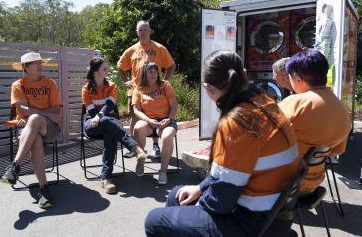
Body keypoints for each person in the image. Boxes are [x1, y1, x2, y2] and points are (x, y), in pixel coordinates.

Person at [145, 50, 300, 236]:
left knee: (154, 220)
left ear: (208, 89)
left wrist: (199, 204)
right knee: (176, 195)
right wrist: (200, 188)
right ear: (244, 73)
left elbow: (220, 201)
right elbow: (231, 175)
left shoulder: (237, 122)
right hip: (274, 212)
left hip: (252, 223)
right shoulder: (263, 100)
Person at [278, 50, 350, 194]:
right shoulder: (341, 108)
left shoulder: (295, 102)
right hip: (313, 183)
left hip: (283, 184)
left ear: (297, 79)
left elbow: (262, 136)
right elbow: (338, 150)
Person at [1, 52, 63, 209]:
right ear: (25, 68)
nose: (40, 65)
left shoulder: (50, 84)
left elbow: (57, 114)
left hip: (50, 128)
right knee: (35, 138)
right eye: (36, 63)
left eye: (40, 62)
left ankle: (15, 166)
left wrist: (35, 114)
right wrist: (45, 112)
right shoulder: (18, 85)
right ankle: (44, 189)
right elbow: (21, 108)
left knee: (34, 119)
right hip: (25, 129)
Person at [82, 57, 148, 194]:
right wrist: (99, 117)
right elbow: (92, 112)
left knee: (109, 131)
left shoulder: (112, 85)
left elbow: (110, 105)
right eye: (104, 68)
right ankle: (134, 147)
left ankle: (106, 178)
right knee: (106, 122)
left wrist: (100, 116)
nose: (108, 70)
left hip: (106, 122)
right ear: (95, 70)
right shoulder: (86, 89)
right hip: (91, 124)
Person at [118, 20, 175, 159]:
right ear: (137, 32)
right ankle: (133, 147)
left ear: (150, 31)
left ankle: (156, 146)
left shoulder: (159, 48)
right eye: (140, 30)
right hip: (136, 92)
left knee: (155, 116)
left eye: (145, 29)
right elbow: (120, 66)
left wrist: (166, 81)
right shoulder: (132, 50)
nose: (143, 32)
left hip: (156, 91)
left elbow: (171, 65)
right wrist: (126, 81)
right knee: (134, 117)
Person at [132, 62, 178, 185]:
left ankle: (163, 171)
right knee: (138, 128)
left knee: (167, 136)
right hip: (149, 121)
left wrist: (169, 119)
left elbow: (174, 105)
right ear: (144, 73)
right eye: (150, 71)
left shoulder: (165, 85)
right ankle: (140, 161)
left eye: (155, 71)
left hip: (166, 121)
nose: (153, 74)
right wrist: (147, 120)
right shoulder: (138, 89)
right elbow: (136, 110)